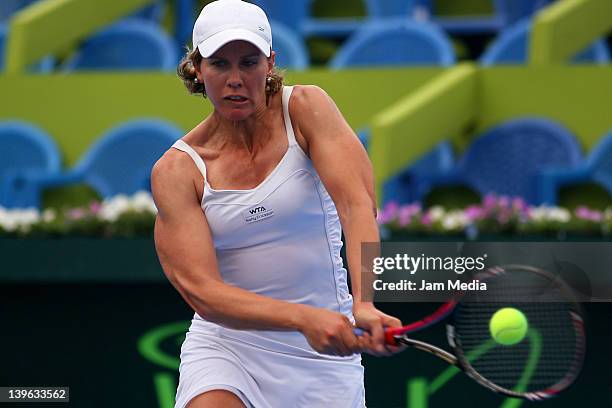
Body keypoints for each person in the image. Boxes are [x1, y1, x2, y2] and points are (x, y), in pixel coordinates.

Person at [151, 1, 404, 407]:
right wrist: (303, 318)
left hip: (323, 358)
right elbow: (203, 292)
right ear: (197, 68)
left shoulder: (307, 109)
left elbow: (358, 206)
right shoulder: (177, 171)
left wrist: (364, 303)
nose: (236, 79)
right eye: (219, 64)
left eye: (249, 62)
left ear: (270, 62)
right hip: (228, 348)